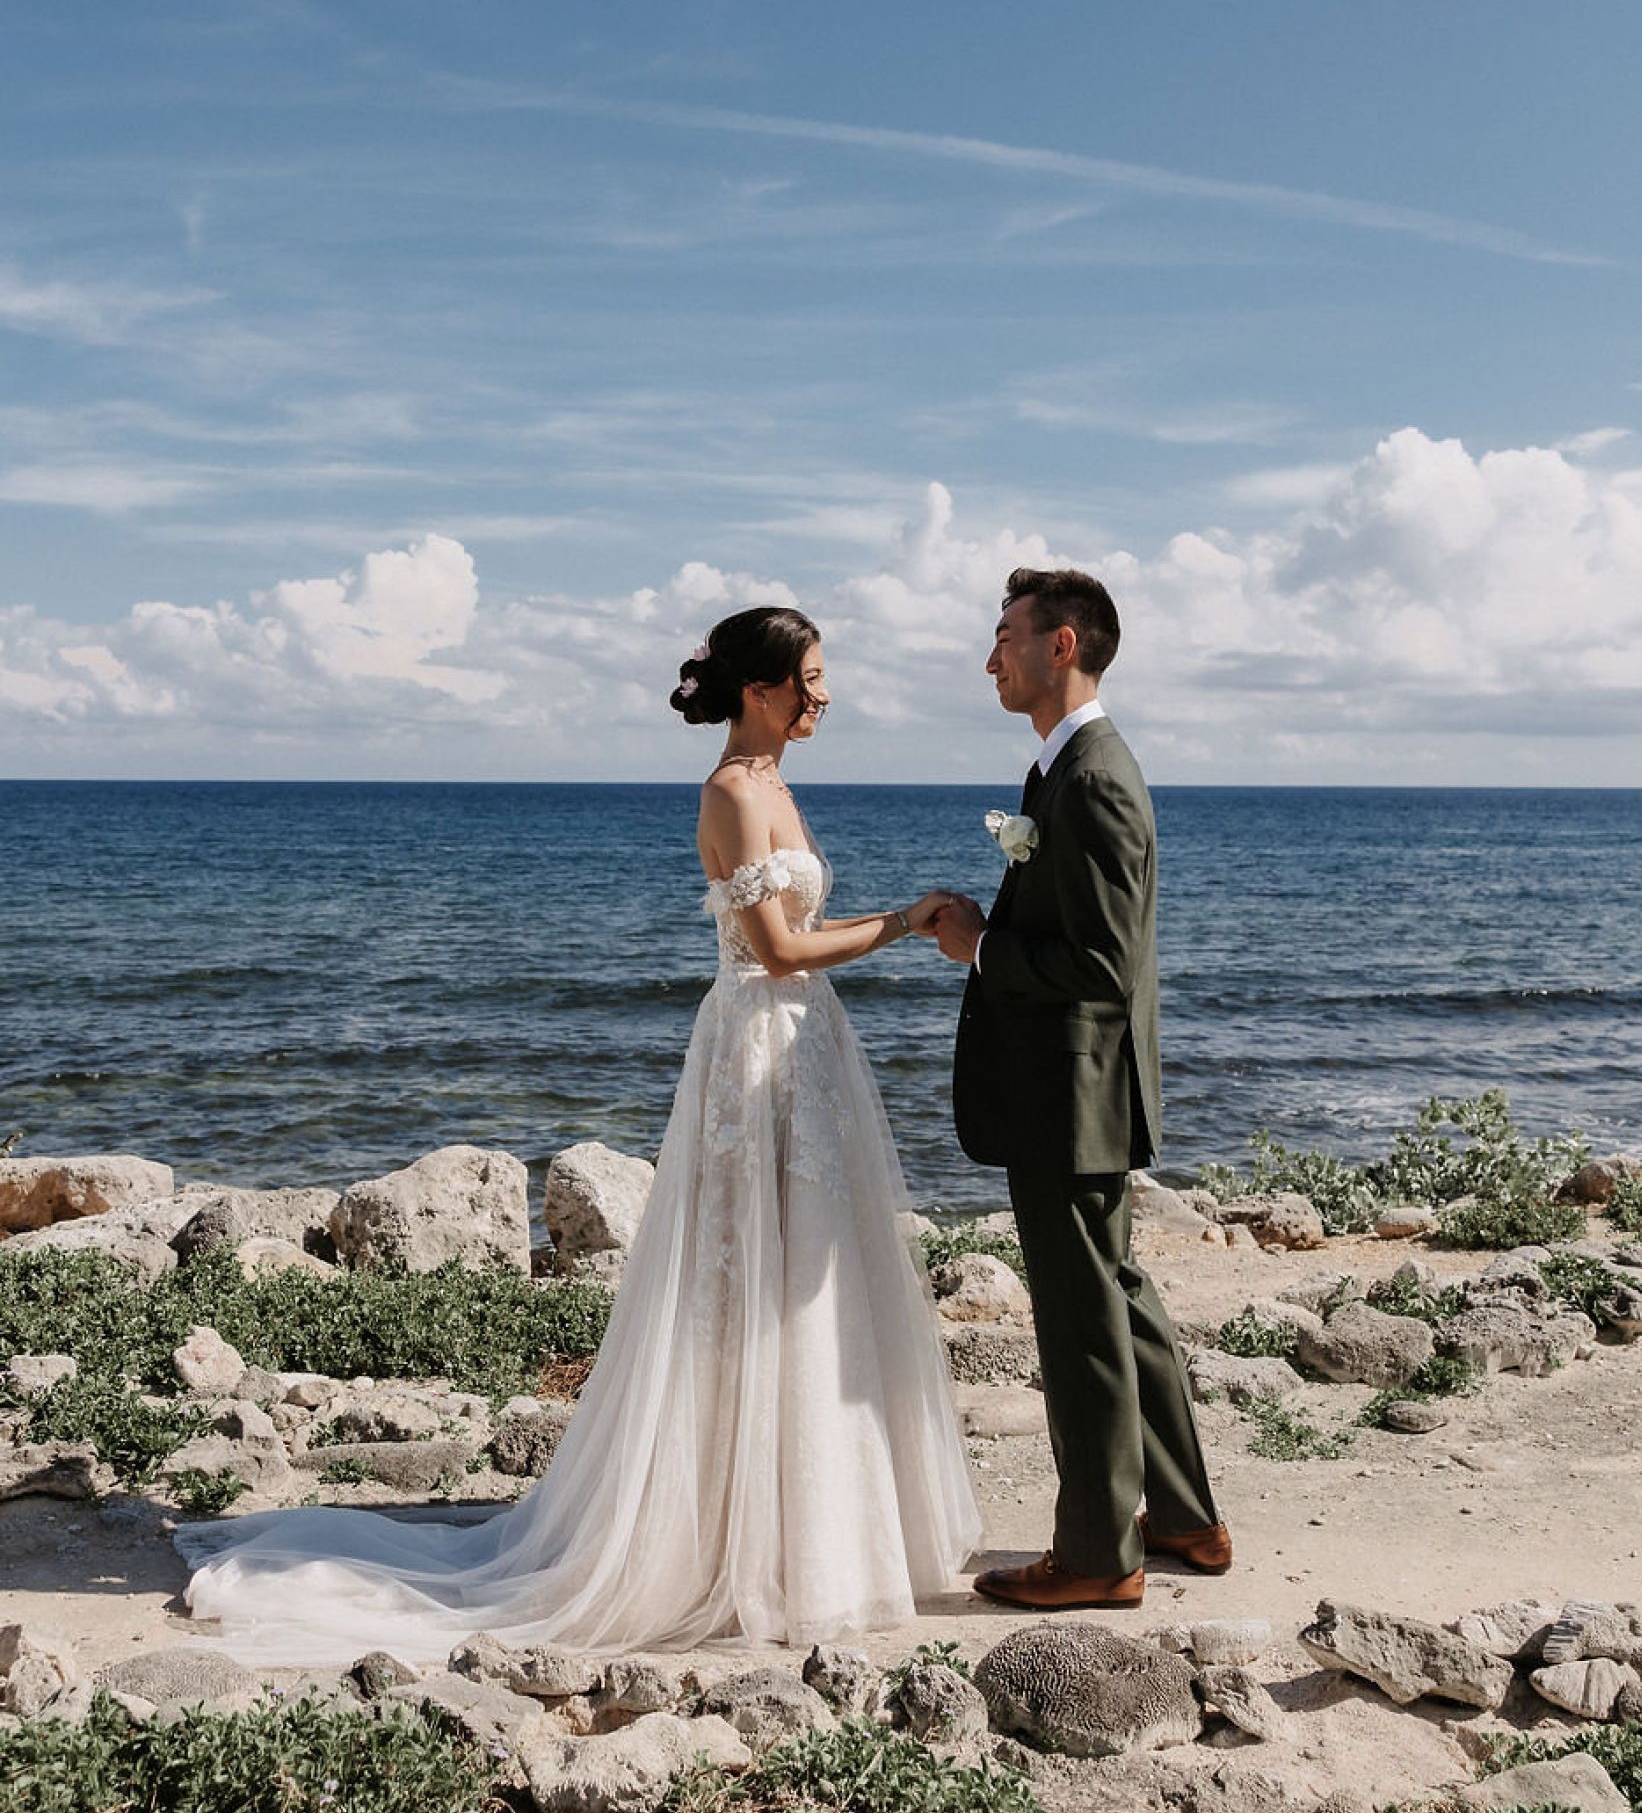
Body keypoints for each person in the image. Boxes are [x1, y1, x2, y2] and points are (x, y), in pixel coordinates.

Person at [179, 606, 980, 1663]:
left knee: (811, 1279)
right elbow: (779, 947)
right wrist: (908, 919)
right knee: (743, 1281)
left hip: (808, 1051)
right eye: (810, 678)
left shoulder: (778, 784)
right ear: (759, 688)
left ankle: (807, 1532)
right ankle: (728, 1539)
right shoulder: (734, 791)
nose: (823, 695)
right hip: (756, 1043)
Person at [926, 567, 1229, 1609]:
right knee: (1121, 1300)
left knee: (1081, 1318)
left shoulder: (1092, 777)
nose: (990, 655)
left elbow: (1104, 965)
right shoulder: (1063, 771)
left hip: (1070, 1093)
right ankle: (1185, 1515)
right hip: (1083, 1090)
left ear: (1062, 646)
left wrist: (980, 946)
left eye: (1005, 634)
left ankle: (1098, 1555)